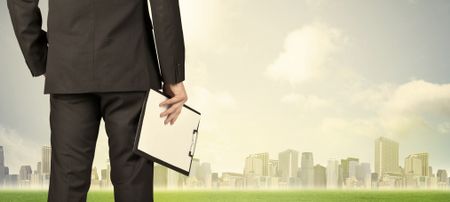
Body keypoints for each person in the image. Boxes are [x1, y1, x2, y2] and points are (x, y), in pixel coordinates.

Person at [6, 0, 188, 201]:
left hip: (69, 67)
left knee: (67, 183)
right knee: (133, 183)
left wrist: (40, 58)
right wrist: (173, 75)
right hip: (131, 65)